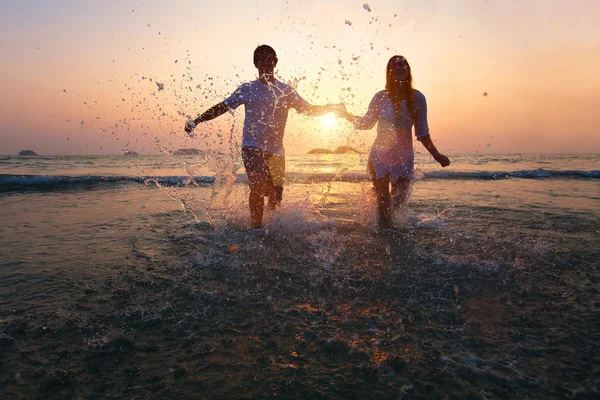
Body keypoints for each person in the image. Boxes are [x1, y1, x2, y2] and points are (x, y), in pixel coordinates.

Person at [185, 45, 341, 228]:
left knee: (276, 193)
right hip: (252, 147)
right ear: (256, 64)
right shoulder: (248, 89)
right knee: (258, 187)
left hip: (276, 151)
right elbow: (223, 106)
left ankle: (271, 228)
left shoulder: (286, 91)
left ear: (275, 62)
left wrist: (331, 108)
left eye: (269, 59)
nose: (266, 63)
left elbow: (309, 109)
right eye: (261, 60)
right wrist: (197, 120)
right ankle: (256, 229)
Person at [340, 55, 450, 229]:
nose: (399, 68)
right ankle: (384, 242)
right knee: (384, 204)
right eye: (394, 66)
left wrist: (436, 155)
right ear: (388, 73)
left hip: (404, 158)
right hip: (380, 156)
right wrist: (345, 115)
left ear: (408, 70)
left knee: (397, 205)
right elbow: (366, 123)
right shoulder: (380, 97)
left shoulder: (418, 98)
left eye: (403, 65)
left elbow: (422, 133)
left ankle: (380, 228)